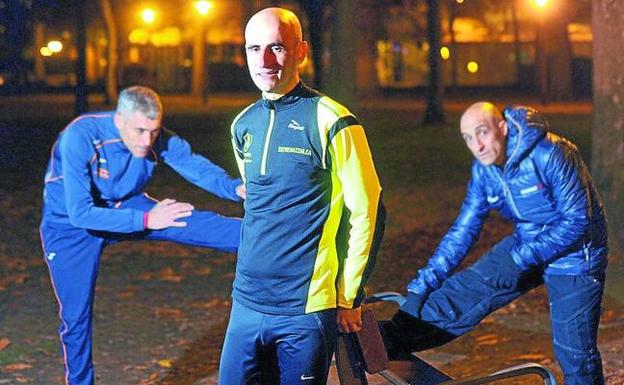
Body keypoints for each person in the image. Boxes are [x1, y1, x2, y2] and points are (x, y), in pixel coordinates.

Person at [382, 102, 608, 385]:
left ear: (501, 128)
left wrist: (519, 260)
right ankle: (383, 340)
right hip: (528, 240)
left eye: (482, 133)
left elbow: (578, 222)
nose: (477, 145)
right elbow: (462, 232)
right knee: (466, 289)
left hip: (576, 254)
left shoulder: (552, 153)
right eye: (467, 138)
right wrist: (420, 288)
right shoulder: (484, 171)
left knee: (574, 351)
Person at [220, 7, 386, 385]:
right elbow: (260, 207)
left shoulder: (332, 120)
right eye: (253, 48)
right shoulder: (243, 125)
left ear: (301, 52)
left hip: (305, 308)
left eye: (276, 47)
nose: (263, 60)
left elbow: (368, 210)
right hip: (246, 301)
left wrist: (349, 297)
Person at [40, 85, 245, 385]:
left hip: (126, 205)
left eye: (153, 131)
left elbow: (192, 165)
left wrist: (233, 188)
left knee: (187, 220)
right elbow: (80, 212)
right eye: (139, 131)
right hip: (72, 228)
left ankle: (272, 239)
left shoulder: (152, 135)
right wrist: (148, 218)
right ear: (119, 120)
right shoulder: (79, 137)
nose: (147, 140)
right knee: (76, 318)